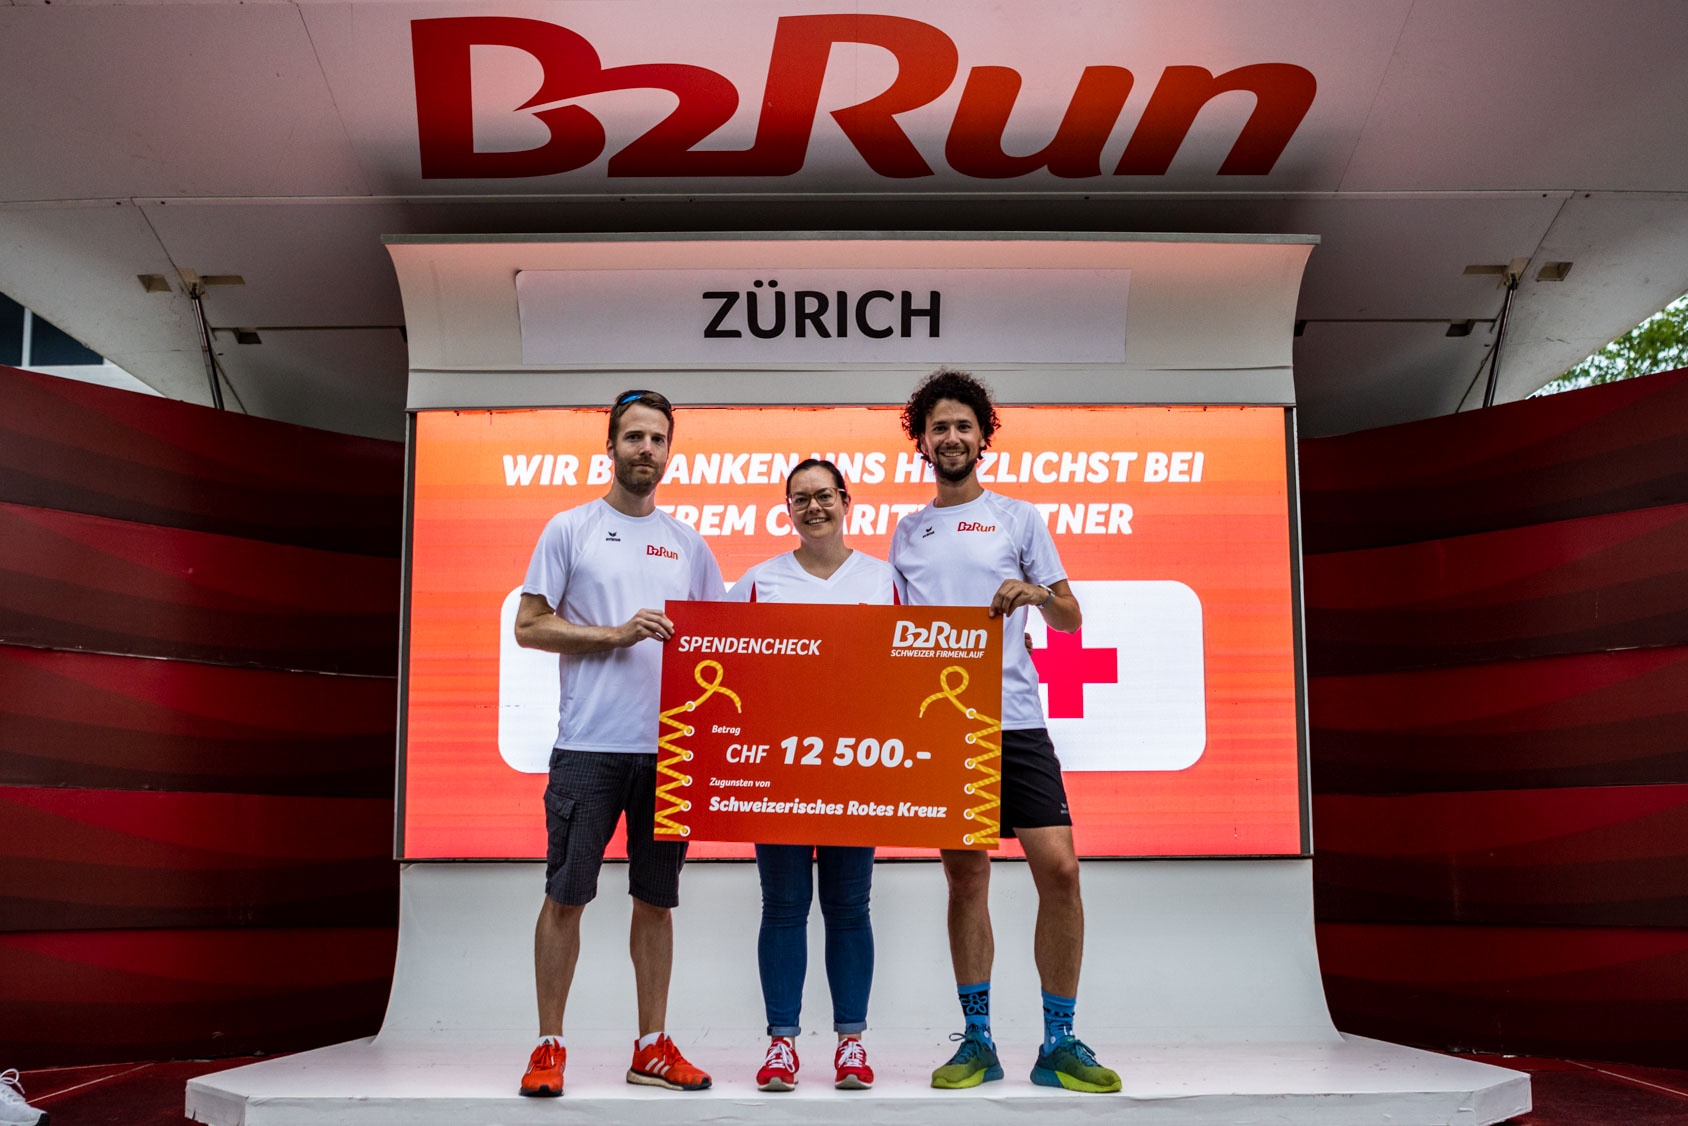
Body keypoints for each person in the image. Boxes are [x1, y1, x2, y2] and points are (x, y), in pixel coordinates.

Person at [888, 369, 1121, 1094]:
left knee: (1061, 870)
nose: (951, 437)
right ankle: (978, 1041)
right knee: (966, 878)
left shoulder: (1018, 518)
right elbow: (895, 634)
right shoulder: (908, 531)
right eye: (939, 427)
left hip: (1016, 720)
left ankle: (1059, 1041)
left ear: (982, 436)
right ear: (922, 441)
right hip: (944, 726)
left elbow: (1070, 617)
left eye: (963, 425)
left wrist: (1038, 593)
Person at [512, 389, 725, 1097]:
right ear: (610, 446)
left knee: (656, 902)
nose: (646, 449)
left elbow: (721, 643)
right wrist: (615, 634)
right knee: (566, 896)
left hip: (670, 752)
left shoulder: (688, 543)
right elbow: (529, 626)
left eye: (658, 439)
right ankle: (548, 1046)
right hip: (589, 747)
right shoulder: (570, 528)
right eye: (634, 437)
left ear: (669, 451)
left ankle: (651, 1048)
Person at [726, 459, 896, 1092]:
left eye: (824, 495)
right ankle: (782, 1046)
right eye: (800, 499)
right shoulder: (760, 581)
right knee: (783, 907)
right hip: (779, 772)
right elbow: (722, 658)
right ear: (788, 510)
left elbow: (915, 660)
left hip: (858, 767)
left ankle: (851, 1044)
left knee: (850, 908)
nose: (813, 507)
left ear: (846, 501)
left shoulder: (885, 579)